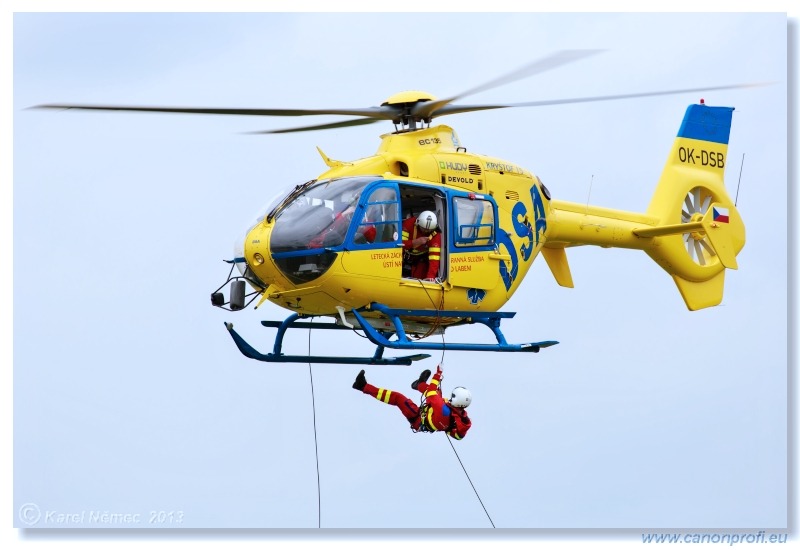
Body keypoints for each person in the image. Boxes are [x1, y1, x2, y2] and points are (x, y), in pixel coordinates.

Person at [352, 365, 472, 440]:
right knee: (437, 394)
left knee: (397, 398)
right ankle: (419, 384)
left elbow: (431, 393)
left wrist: (438, 373)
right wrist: (447, 428)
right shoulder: (460, 417)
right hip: (429, 415)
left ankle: (362, 386)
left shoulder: (444, 410)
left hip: (417, 417)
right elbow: (459, 436)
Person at [402, 210, 441, 281]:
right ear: (417, 223)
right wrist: (415, 242)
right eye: (423, 229)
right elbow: (400, 245)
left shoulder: (435, 234)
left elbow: (434, 257)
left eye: (428, 230)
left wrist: (430, 276)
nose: (425, 231)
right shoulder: (409, 223)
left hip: (421, 260)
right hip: (404, 256)